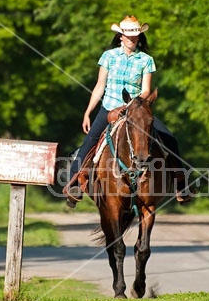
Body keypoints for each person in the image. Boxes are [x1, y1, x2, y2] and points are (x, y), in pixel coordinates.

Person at [63, 15, 191, 208]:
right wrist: (88, 112)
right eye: (128, 35)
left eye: (135, 36)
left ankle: (181, 183)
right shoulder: (109, 57)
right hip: (109, 108)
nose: (132, 39)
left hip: (137, 109)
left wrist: (134, 104)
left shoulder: (146, 60)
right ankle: (74, 184)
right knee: (88, 143)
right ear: (120, 36)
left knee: (169, 138)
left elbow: (147, 89)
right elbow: (100, 86)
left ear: (139, 37)